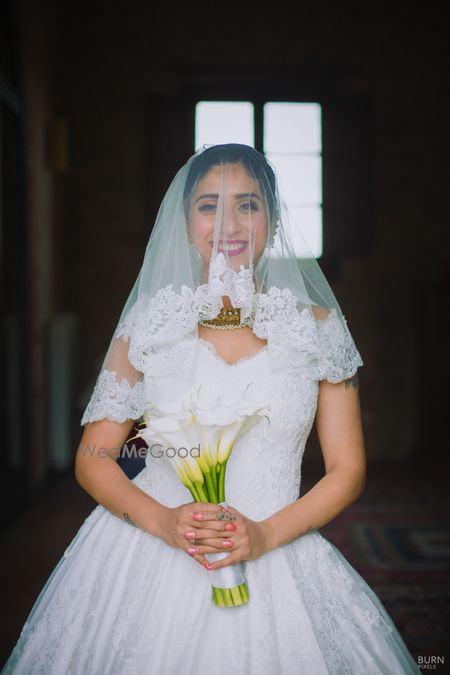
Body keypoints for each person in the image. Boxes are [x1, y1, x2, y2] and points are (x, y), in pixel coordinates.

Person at [1, 144, 420, 674]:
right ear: (183, 222)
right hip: (146, 551)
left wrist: (265, 534)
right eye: (207, 206)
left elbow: (348, 468)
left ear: (272, 216)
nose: (228, 223)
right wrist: (163, 521)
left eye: (247, 204)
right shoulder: (148, 325)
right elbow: (94, 455)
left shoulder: (319, 328)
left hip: (277, 549)